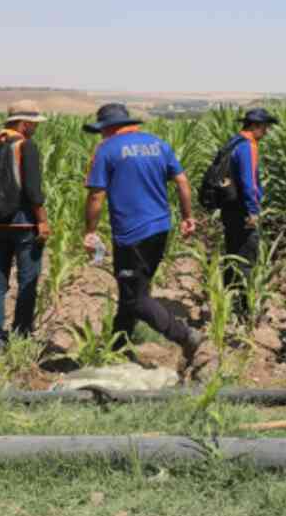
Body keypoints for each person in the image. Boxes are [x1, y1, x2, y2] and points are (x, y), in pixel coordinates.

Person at [81, 103, 205, 366]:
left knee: (135, 298)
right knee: (134, 290)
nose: (101, 137)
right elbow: (182, 181)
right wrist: (187, 216)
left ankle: (186, 336)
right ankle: (116, 347)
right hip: (160, 229)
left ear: (109, 128)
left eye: (102, 131)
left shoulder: (108, 150)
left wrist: (90, 231)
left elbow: (96, 195)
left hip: (131, 234)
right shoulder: (158, 144)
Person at [0, 100, 51, 349]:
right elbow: (33, 191)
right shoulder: (25, 146)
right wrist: (43, 221)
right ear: (24, 124)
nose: (35, 128)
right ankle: (22, 336)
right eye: (34, 124)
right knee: (28, 281)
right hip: (24, 224)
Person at [220, 107, 279, 319]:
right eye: (265, 127)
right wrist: (253, 212)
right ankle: (245, 311)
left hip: (229, 209)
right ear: (255, 126)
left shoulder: (233, 142)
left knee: (232, 254)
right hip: (242, 211)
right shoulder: (247, 146)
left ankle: (227, 304)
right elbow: (249, 183)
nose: (267, 132)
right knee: (246, 259)